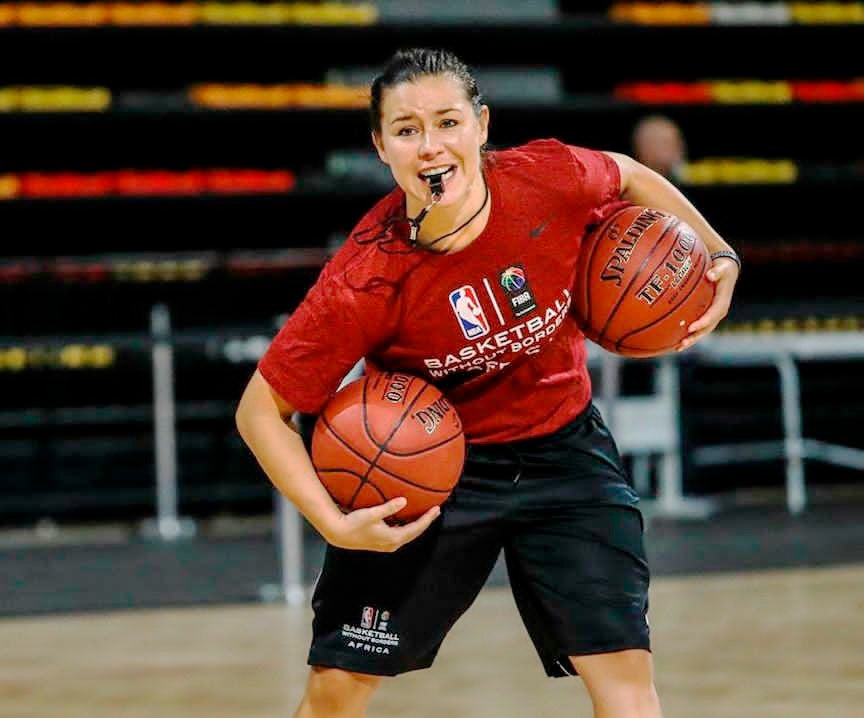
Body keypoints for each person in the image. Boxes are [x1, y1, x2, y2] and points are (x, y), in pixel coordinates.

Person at [236, 48, 739, 718]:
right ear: (381, 146)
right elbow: (260, 410)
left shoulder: (546, 179)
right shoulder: (365, 279)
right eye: (407, 130)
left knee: (624, 678)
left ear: (481, 125)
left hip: (564, 450)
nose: (431, 145)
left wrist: (718, 251)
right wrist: (334, 522)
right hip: (429, 475)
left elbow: (628, 173)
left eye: (447, 122)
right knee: (337, 688)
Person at [631, 114, 688, 181]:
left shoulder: (686, 182)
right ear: (645, 148)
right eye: (667, 143)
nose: (679, 148)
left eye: (678, 141)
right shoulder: (630, 184)